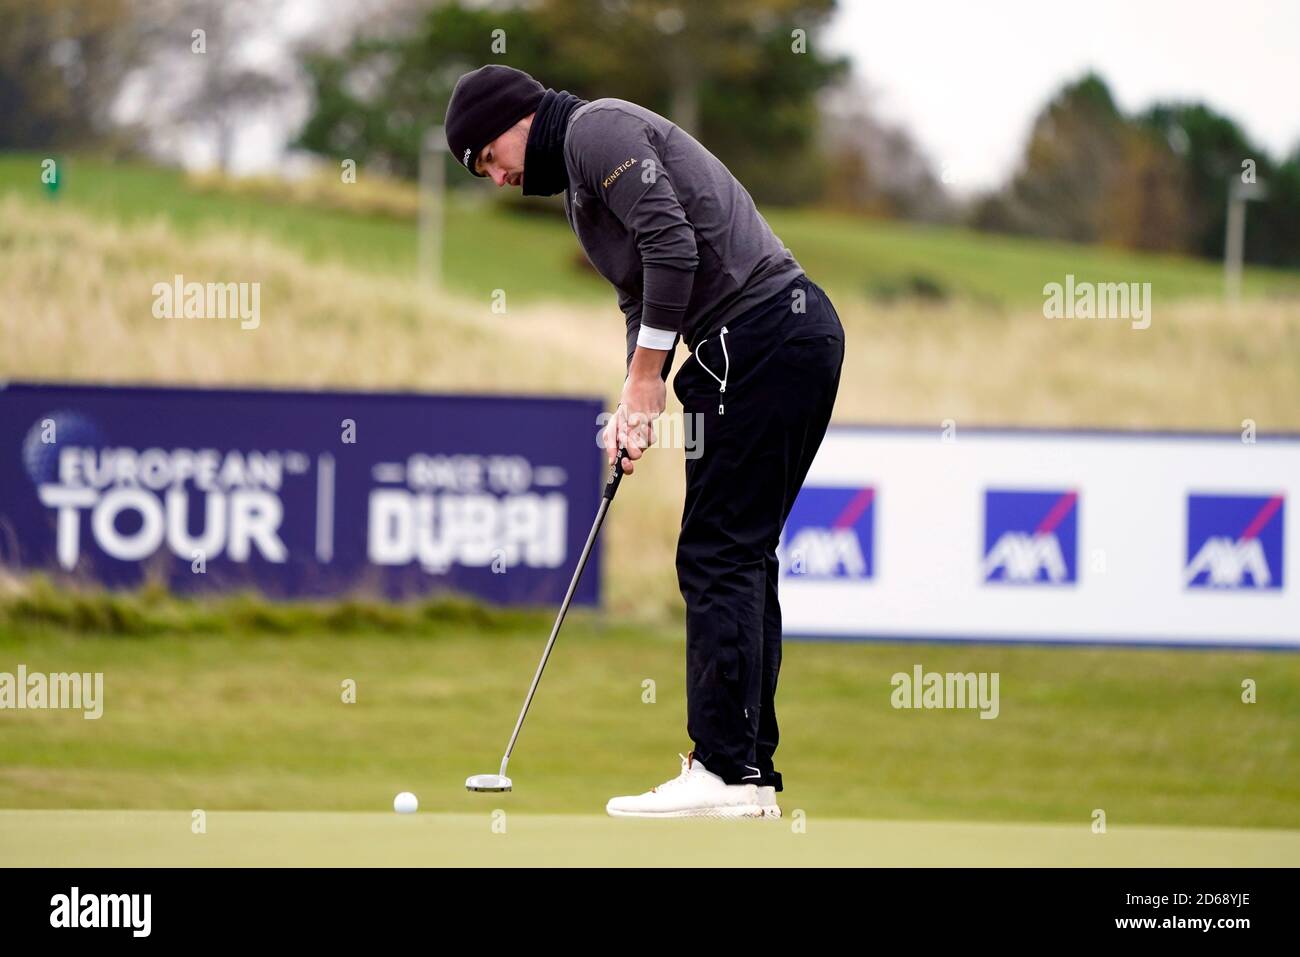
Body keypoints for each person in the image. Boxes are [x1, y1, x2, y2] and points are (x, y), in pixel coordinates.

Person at [445, 64, 844, 818]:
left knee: (718, 551)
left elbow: (673, 248)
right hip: (784, 337)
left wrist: (645, 381)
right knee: (744, 552)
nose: (493, 177)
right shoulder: (581, 195)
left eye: (486, 155)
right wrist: (637, 398)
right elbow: (642, 294)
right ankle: (747, 773)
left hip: (760, 332)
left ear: (517, 118)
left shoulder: (599, 129)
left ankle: (721, 769)